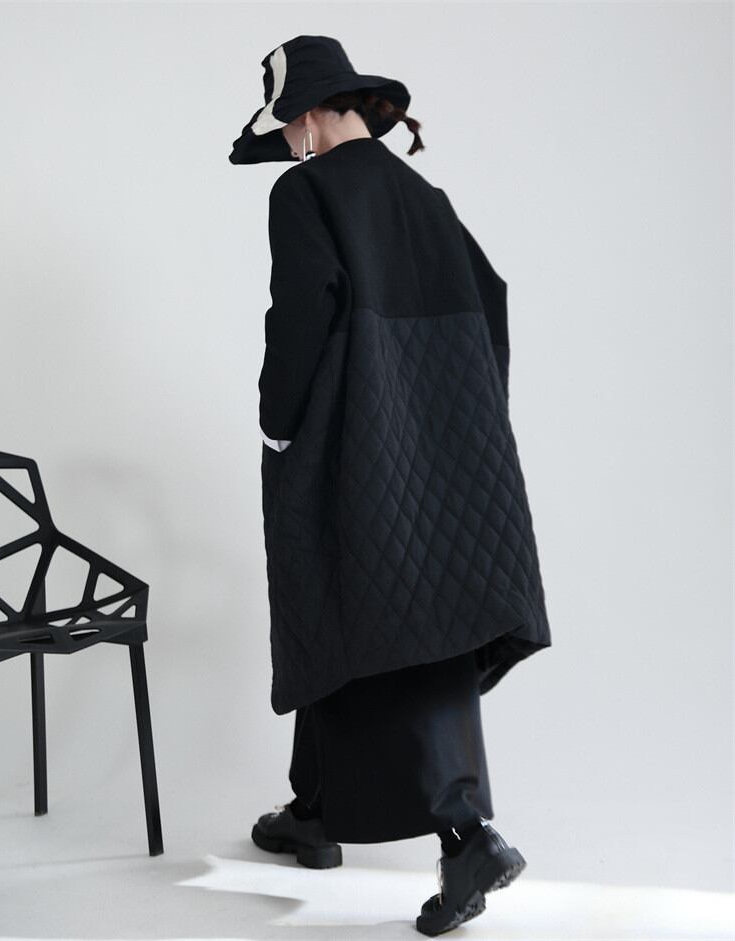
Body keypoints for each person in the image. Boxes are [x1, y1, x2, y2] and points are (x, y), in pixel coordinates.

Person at [228, 35, 552, 937]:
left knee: (380, 611)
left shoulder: (306, 192)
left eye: (289, 128)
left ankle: (467, 835)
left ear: (306, 115)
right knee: (362, 601)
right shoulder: (425, 196)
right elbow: (491, 298)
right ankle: (314, 808)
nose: (289, 146)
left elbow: (301, 311)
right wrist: (471, 409)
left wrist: (279, 418)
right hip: (455, 437)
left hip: (352, 429)